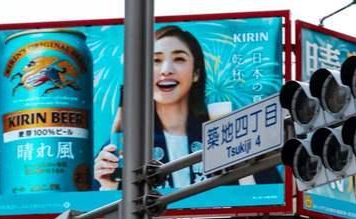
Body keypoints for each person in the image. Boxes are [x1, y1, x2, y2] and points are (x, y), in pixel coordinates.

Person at [92, 25, 280, 192]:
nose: (166, 70)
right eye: (156, 60)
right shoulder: (127, 142)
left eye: (179, 59)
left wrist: (243, 167)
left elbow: (269, 195)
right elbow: (101, 214)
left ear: (196, 73)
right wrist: (108, 186)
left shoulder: (225, 135)